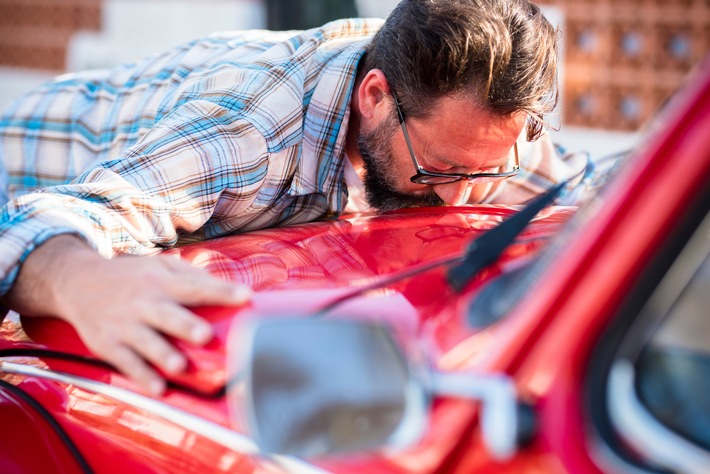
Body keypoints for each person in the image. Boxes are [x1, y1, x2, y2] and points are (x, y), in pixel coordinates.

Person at [0, 0, 581, 395]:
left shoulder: (476, 128)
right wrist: (79, 281)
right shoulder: (250, 134)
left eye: (486, 170)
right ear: (374, 97)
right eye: (438, 171)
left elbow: (584, 194)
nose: (461, 198)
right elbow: (37, 225)